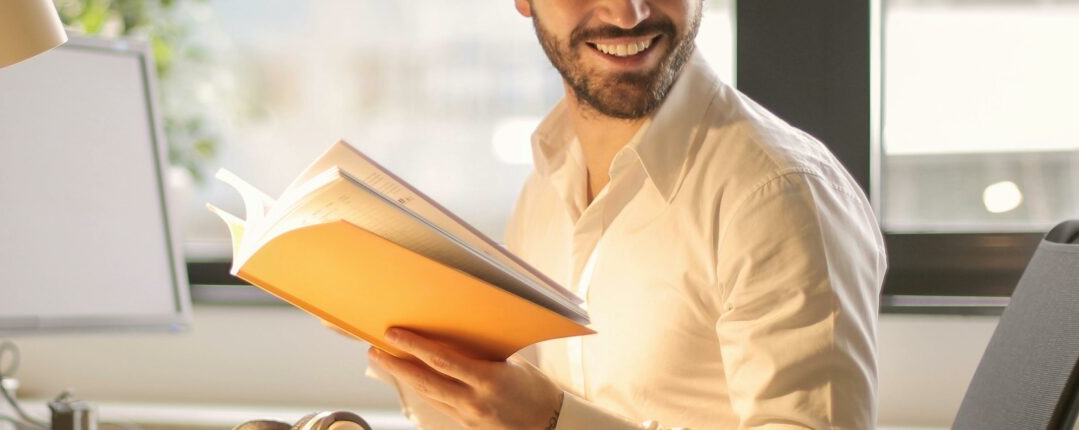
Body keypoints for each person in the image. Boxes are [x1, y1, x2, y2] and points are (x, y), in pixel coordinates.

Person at [366, 1, 887, 428]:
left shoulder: (780, 195)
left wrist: (552, 421)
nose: (627, 12)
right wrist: (401, 336)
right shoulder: (546, 183)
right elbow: (505, 412)